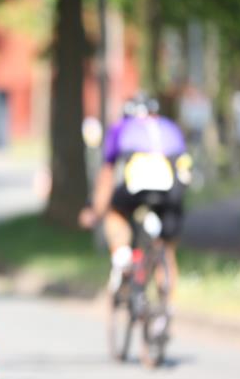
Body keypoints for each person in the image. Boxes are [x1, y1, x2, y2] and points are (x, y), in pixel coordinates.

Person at [79, 93, 191, 298]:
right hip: (171, 193)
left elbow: (107, 173)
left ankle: (122, 253)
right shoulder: (170, 127)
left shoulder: (121, 127)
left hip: (136, 189)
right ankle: (165, 310)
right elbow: (184, 169)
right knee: (166, 249)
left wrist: (94, 209)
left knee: (115, 213)